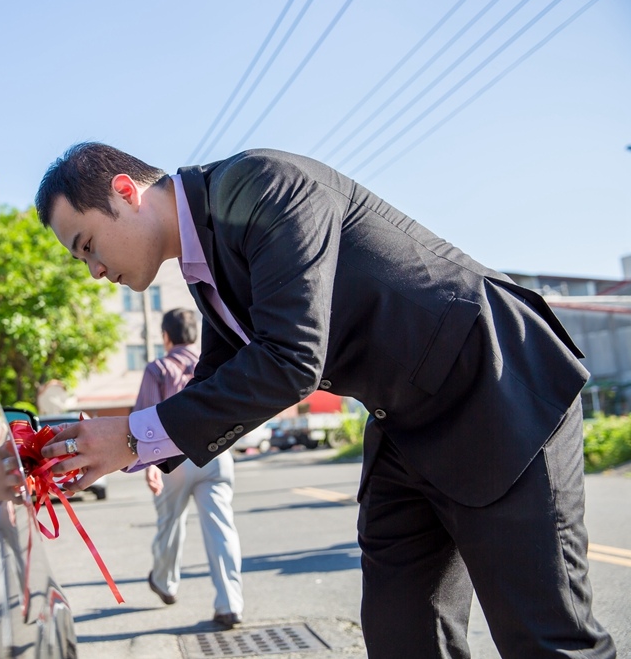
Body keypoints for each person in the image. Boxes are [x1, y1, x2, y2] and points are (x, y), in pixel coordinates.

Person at [35, 143, 614, 658]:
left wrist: (133, 436)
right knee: (401, 632)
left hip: (494, 387)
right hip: (405, 423)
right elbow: (218, 382)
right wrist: (91, 451)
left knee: (547, 640)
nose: (93, 271)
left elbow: (290, 360)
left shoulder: (261, 184)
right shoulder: (203, 269)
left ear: (124, 191)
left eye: (87, 245)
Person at [135, 308, 243, 628]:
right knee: (221, 527)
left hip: (174, 458)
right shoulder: (212, 363)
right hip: (217, 453)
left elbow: (145, 419)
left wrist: (148, 465)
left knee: (170, 523)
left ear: (166, 336)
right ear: (195, 335)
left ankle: (166, 583)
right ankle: (230, 604)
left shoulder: (158, 369)